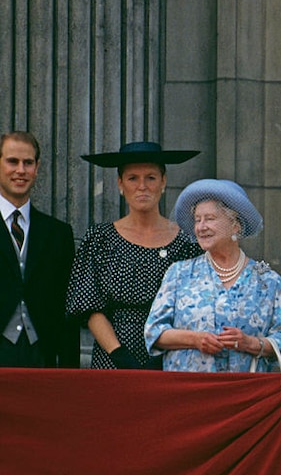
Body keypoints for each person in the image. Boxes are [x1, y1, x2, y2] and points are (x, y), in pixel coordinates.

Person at [66, 141, 201, 369]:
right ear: (120, 184)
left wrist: (159, 357)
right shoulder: (100, 238)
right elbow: (88, 305)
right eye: (132, 178)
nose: (142, 186)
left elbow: (196, 307)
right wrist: (119, 356)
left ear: (163, 182)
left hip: (172, 358)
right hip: (113, 359)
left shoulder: (187, 241)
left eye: (151, 177)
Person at [145, 179, 281, 372]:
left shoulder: (267, 280)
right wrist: (195, 339)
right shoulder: (179, 273)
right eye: (197, 220)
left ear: (235, 225)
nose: (201, 227)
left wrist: (250, 343)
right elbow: (154, 332)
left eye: (210, 218)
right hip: (190, 392)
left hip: (245, 392)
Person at [0, 131, 76, 367]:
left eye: (28, 163)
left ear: (37, 167)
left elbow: (67, 305)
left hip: (42, 355)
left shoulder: (58, 233)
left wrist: (69, 369)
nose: (20, 170)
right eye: (12, 161)